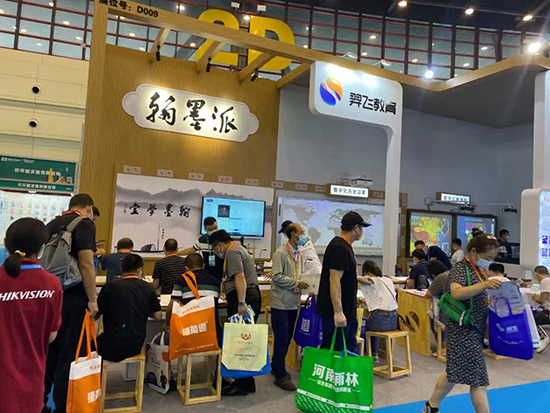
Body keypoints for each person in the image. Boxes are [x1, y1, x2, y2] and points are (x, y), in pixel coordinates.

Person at [423, 234, 502, 413]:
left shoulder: (479, 269)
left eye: (492, 258)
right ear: (474, 252)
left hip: (475, 328)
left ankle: (431, 407)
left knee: (453, 372)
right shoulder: (460, 268)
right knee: (479, 380)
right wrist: (484, 286)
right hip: (463, 330)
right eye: (487, 257)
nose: (489, 261)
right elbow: (457, 293)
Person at [0, 218, 63, 413]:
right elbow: (51, 336)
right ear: (42, 247)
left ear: (6, 243)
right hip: (33, 380)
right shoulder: (52, 284)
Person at [44, 193, 98, 413]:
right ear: (89, 208)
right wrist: (92, 299)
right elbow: (86, 263)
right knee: (69, 354)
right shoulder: (84, 224)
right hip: (73, 298)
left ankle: (39, 403)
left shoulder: (52, 223)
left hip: (50, 295)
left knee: (49, 352)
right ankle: (62, 407)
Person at [209, 229, 261, 396]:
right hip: (250, 295)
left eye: (214, 248)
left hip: (245, 298)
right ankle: (248, 381)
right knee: (246, 341)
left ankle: (241, 384)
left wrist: (241, 302)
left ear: (219, 245)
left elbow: (240, 277)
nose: (216, 252)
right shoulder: (238, 249)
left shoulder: (232, 252)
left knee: (240, 342)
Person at [317, 211, 373, 353]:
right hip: (337, 311)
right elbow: (334, 279)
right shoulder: (340, 247)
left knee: (346, 348)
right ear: (356, 228)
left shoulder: (343, 245)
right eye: (362, 228)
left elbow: (342, 275)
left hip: (346, 309)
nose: (362, 231)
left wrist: (358, 278)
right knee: (336, 351)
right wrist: (338, 312)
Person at [97, 254, 162, 362]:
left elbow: (96, 314)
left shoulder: (109, 287)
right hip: (135, 345)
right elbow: (158, 316)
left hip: (111, 345)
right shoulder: (148, 288)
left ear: (122, 268)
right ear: (139, 270)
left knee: (85, 347)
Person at [270, 223, 310, 391]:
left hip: (293, 302)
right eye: (302, 232)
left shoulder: (298, 253)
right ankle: (280, 376)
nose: (304, 235)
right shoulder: (281, 253)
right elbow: (276, 276)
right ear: (294, 235)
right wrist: (296, 282)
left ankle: (275, 366)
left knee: (287, 339)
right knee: (282, 339)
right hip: (280, 303)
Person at [165, 253, 222, 345]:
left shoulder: (182, 280)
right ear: (203, 266)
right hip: (212, 331)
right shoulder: (215, 282)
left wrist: (167, 324)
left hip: (190, 331)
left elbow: (171, 307)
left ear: (186, 268)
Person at [359, 260, 397, 364]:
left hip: (380, 321)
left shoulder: (369, 281)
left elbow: (371, 304)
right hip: (394, 321)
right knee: (374, 318)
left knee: (368, 325)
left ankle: (373, 353)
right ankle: (376, 353)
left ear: (366, 272)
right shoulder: (388, 280)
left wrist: (361, 300)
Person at [178, 217, 223, 282]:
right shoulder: (202, 239)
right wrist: (177, 253)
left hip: (221, 269)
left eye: (215, 228)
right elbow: (192, 249)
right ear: (205, 229)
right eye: (210, 229)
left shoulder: (222, 237)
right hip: (208, 270)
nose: (214, 231)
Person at [426, 260, 451, 355]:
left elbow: (429, 293)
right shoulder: (450, 273)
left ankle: (443, 348)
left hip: (447, 307)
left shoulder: (441, 277)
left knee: (435, 320)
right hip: (457, 306)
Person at [531, 265, 550, 353]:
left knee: (530, 318)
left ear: (536, 274)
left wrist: (535, 298)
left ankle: (543, 337)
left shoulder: (545, 281)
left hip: (548, 312)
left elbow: (541, 301)